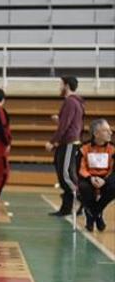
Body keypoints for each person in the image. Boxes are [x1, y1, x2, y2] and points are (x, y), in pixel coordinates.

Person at [46, 76, 85, 216]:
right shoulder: (75, 102)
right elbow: (70, 122)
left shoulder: (70, 102)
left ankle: (85, 200)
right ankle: (66, 208)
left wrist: (52, 141)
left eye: (61, 85)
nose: (59, 88)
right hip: (67, 142)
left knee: (66, 175)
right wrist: (60, 119)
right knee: (63, 174)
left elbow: (65, 125)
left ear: (67, 86)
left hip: (69, 143)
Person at [77, 119, 114, 231]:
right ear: (96, 134)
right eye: (106, 130)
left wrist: (105, 180)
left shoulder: (113, 149)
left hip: (106, 178)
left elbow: (113, 170)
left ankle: (94, 212)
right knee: (84, 187)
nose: (110, 133)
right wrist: (90, 178)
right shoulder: (84, 148)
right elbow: (80, 167)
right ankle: (96, 215)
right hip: (89, 178)